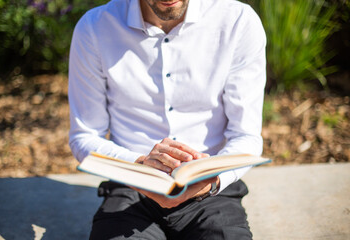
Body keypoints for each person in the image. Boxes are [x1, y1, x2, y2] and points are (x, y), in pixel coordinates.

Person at [68, 0, 266, 239]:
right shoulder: (95, 26)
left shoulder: (237, 20)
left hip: (212, 191)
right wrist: (138, 165)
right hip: (131, 187)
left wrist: (213, 180)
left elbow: (246, 135)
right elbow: (85, 135)